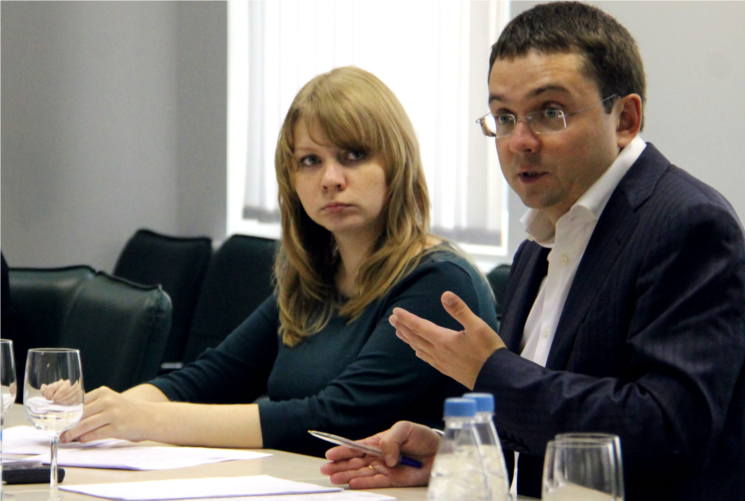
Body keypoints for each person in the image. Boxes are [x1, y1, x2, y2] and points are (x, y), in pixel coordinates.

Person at [321, 3, 745, 500]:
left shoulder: (689, 225)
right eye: (504, 118)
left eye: (550, 113)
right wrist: (458, 454)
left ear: (626, 119)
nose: (520, 142)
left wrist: (490, 370)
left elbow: (666, 430)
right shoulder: (545, 236)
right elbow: (549, 419)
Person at [62, 66, 497, 457]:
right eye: (310, 161)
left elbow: (335, 418)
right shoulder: (314, 279)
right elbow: (211, 379)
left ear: (396, 163)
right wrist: (100, 412)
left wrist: (145, 420)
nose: (330, 179)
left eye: (353, 155)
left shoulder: (439, 281)